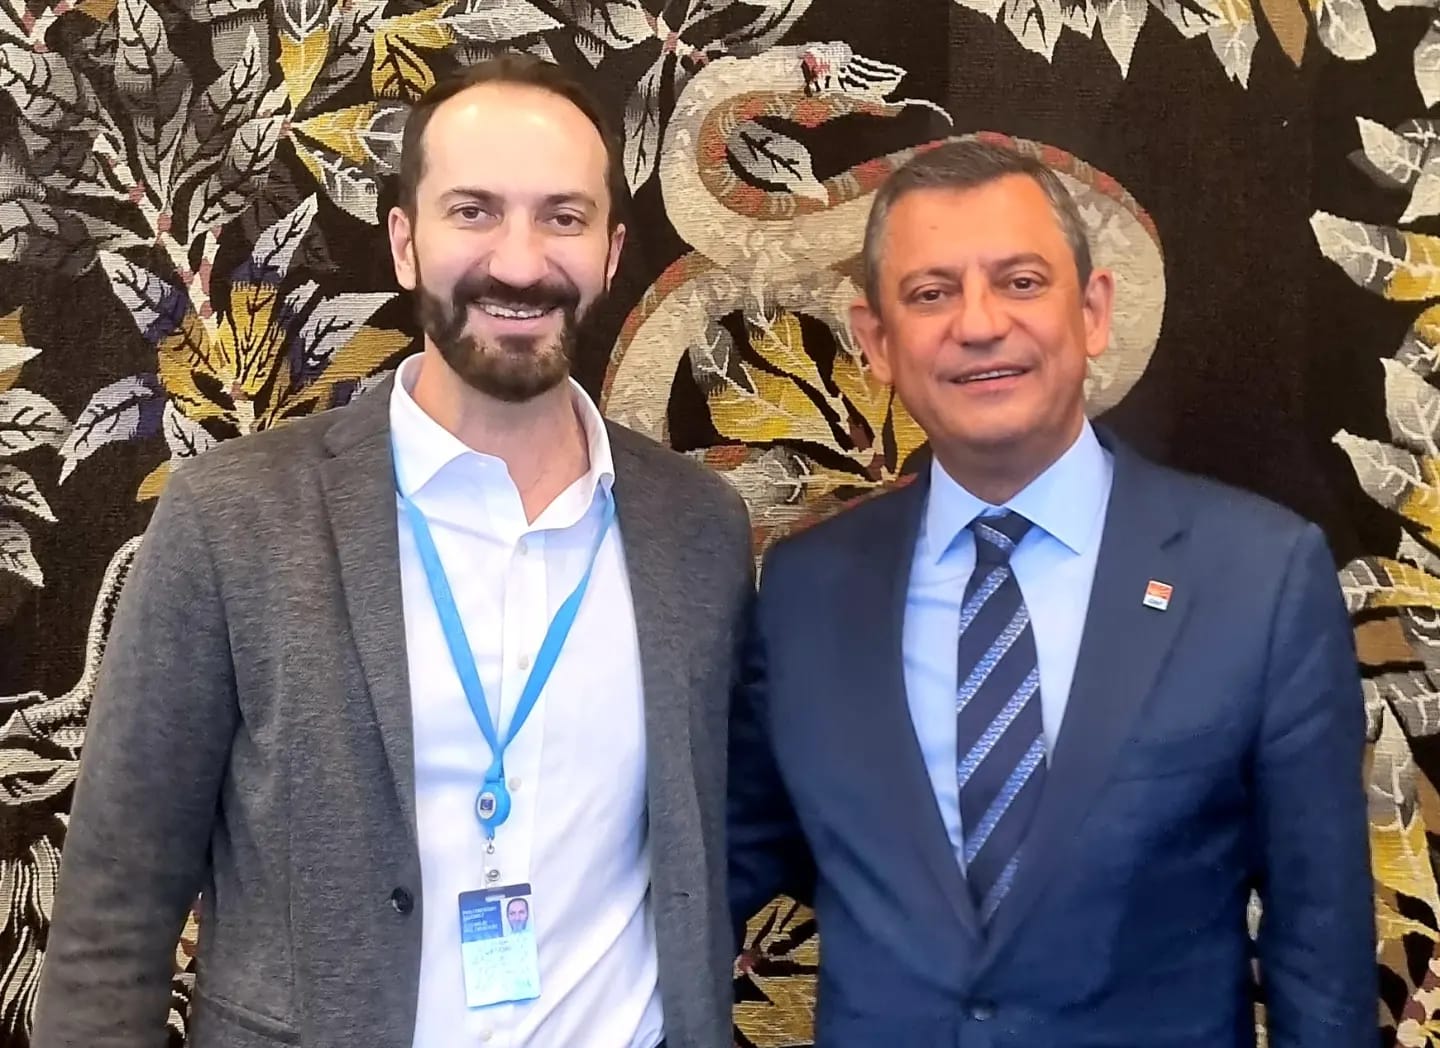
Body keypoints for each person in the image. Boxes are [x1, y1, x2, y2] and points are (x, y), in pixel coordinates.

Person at [34, 54, 751, 1048]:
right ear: (406, 243)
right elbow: (115, 908)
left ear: (610, 251)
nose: (518, 261)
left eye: (563, 216)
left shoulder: (699, 527)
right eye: (474, 211)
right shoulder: (231, 517)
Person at [727, 139, 1375, 1046]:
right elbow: (721, 864)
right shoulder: (804, 592)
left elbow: (1321, 954)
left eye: (1021, 282)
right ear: (876, 341)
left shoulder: (1259, 577)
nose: (979, 323)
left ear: (1094, 311)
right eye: (931, 293)